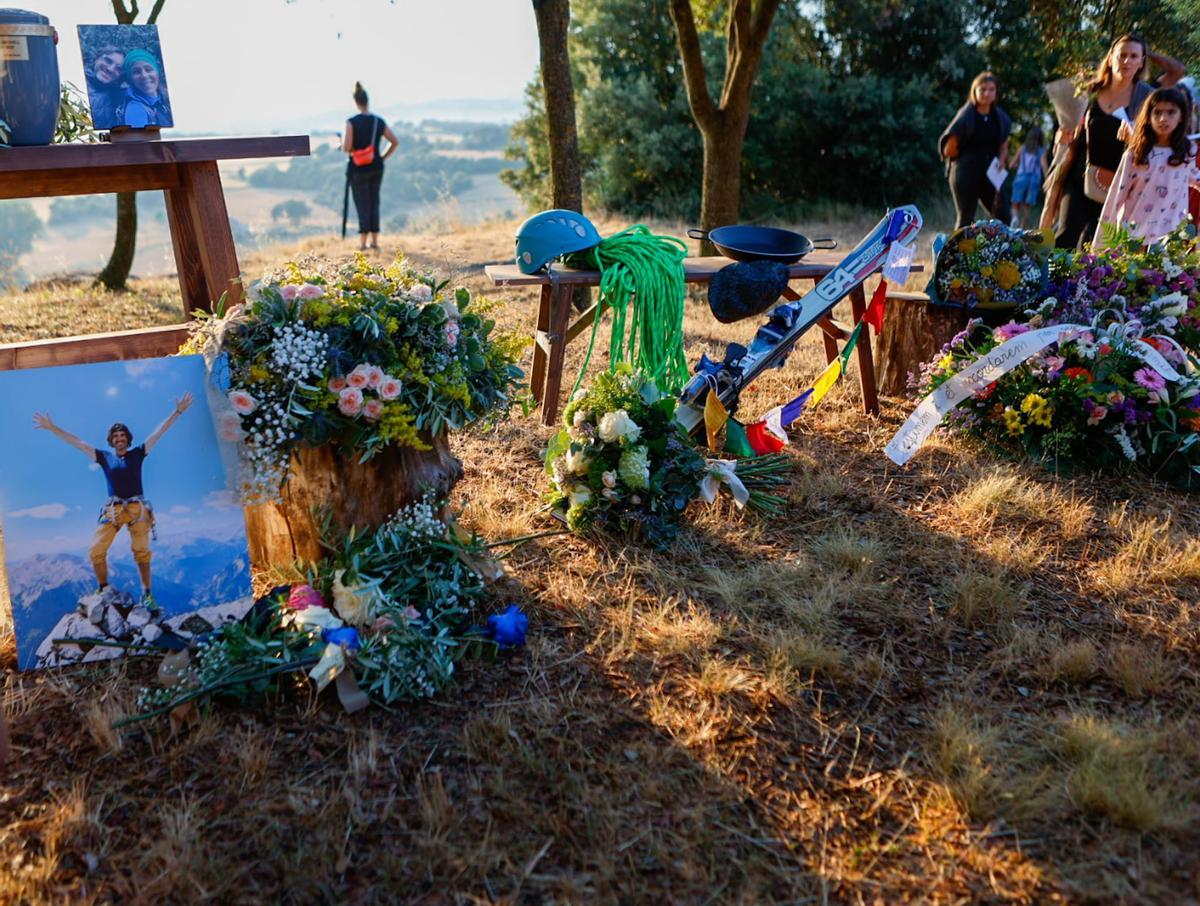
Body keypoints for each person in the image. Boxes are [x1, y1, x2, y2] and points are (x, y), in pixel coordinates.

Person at [32, 393, 193, 610]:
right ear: (111, 440)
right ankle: (103, 587)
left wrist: (177, 411)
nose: (119, 438)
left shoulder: (138, 453)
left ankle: (147, 594)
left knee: (142, 551)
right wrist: (53, 428)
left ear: (128, 438)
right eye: (115, 436)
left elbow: (159, 432)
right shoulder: (104, 457)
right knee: (95, 551)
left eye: (122, 435)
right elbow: (78, 443)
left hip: (137, 508)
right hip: (114, 509)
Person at [1042, 33, 1186, 248]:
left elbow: (1156, 139)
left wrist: (1134, 139)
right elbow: (1067, 130)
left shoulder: (1147, 97)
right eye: (1122, 55)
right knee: (1065, 237)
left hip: (1120, 184)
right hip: (1080, 175)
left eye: (1134, 56)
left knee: (1097, 247)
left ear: (1141, 62)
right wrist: (1062, 137)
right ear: (1111, 58)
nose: (1127, 61)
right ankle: (1051, 271)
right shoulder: (1089, 90)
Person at [1094, 87, 1199, 247]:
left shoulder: (1188, 152)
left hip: (1170, 238)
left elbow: (1194, 177)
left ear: (1181, 116)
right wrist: (1101, 245)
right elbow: (1116, 195)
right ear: (1148, 117)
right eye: (1157, 112)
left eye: (1171, 112)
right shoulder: (1135, 154)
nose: (1163, 118)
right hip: (1134, 236)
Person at [939, 72, 1013, 230]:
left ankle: (997, 245)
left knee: (1004, 216)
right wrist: (965, 161)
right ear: (975, 91)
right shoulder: (966, 115)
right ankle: (957, 246)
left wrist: (1001, 161)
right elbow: (948, 149)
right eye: (983, 89)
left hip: (991, 170)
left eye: (991, 89)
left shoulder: (1000, 117)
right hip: (966, 171)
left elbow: (1004, 144)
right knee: (966, 218)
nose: (987, 93)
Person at [342, 82, 399, 251]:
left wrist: (342, 144)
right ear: (367, 101)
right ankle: (374, 241)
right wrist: (382, 158)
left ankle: (362, 243)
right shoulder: (378, 121)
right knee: (374, 201)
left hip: (358, 168)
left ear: (356, 102)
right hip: (376, 167)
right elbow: (394, 142)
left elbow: (347, 147)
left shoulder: (351, 122)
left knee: (362, 203)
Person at [117, 48, 171, 128]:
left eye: (148, 69)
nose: (144, 75)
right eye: (137, 72)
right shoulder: (135, 109)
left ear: (157, 72)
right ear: (131, 79)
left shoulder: (164, 96)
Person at [1010, 126, 1047, 228]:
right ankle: (1022, 227)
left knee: (1015, 202)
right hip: (1034, 180)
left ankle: (1014, 218)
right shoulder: (1041, 151)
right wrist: (1047, 180)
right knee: (1027, 206)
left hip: (1021, 177)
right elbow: (1044, 166)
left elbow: (1012, 164)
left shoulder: (1022, 149)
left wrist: (1017, 165)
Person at [84, 45, 125, 130]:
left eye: (118, 68)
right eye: (108, 61)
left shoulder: (118, 98)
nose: (110, 69)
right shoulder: (77, 82)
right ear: (97, 58)